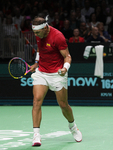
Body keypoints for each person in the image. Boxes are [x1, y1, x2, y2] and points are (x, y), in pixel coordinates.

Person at [30, 16, 82, 146]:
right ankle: (36, 135)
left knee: (63, 105)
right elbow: (39, 49)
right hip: (42, 72)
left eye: (37, 32)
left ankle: (73, 126)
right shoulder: (39, 34)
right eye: (34, 32)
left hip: (57, 73)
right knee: (36, 101)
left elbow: (67, 56)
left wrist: (65, 68)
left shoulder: (57, 36)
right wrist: (36, 63)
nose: (35, 35)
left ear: (45, 28)